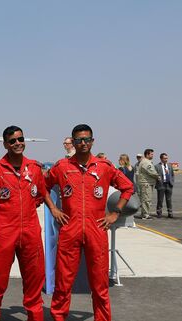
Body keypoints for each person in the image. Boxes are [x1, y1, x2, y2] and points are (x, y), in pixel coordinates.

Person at [44, 124, 133, 321]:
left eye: (86, 139)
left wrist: (115, 213)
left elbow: (128, 188)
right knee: (63, 283)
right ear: (73, 142)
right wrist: (53, 208)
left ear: (92, 141)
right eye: (78, 140)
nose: (83, 143)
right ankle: (58, 317)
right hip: (70, 230)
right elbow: (43, 185)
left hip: (97, 230)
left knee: (100, 285)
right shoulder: (62, 167)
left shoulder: (104, 166)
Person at [0, 126, 46, 321]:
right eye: (12, 141)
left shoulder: (34, 168)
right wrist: (2, 216)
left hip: (31, 233)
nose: (17, 143)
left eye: (20, 139)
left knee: (34, 280)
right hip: (4, 233)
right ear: (5, 144)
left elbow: (40, 194)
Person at [136, 149, 161, 219]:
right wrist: (158, 176)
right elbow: (151, 172)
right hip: (146, 184)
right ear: (147, 154)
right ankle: (145, 215)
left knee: (145, 199)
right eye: (151, 154)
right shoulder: (146, 162)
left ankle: (144, 213)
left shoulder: (144, 161)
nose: (153, 155)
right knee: (146, 199)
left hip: (146, 183)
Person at [155, 153, 175, 218]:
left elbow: (172, 174)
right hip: (161, 184)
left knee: (169, 199)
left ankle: (170, 212)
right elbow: (155, 175)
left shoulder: (169, 165)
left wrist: (172, 182)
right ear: (161, 158)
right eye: (165, 158)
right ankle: (159, 212)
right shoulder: (157, 166)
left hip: (169, 184)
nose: (166, 159)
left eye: (167, 158)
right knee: (160, 200)